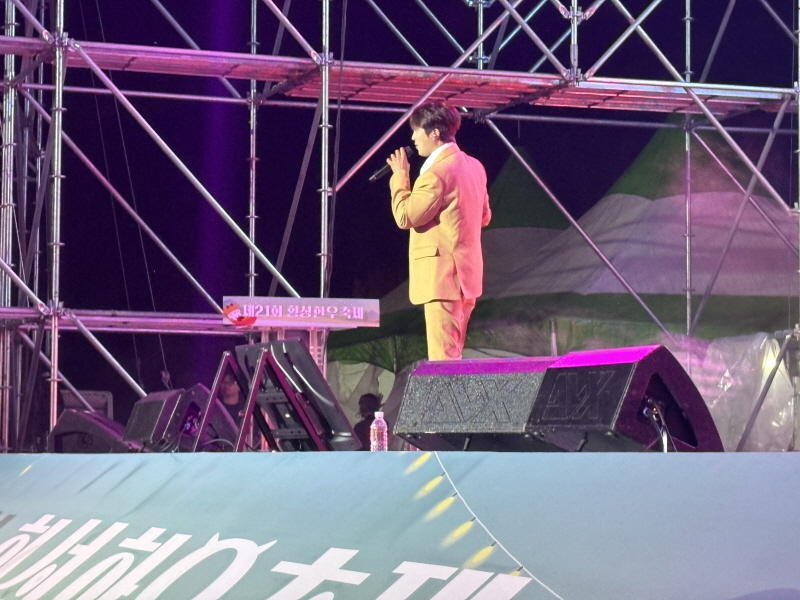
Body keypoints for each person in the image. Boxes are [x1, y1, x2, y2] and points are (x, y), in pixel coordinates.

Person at [385, 100, 491, 361]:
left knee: (443, 360)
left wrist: (400, 177)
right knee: (453, 355)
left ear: (434, 133)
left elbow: (405, 216)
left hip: (443, 278)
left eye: (416, 130)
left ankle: (446, 391)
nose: (413, 138)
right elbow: (484, 216)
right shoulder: (475, 167)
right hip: (466, 275)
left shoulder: (436, 173)